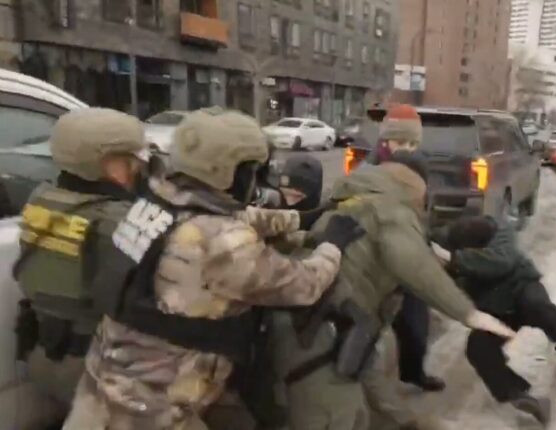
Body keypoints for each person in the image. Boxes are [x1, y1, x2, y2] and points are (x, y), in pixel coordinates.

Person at [61, 109, 365, 430]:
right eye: (251, 170)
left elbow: (221, 219)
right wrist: (333, 243)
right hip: (153, 415)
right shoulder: (224, 243)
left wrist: (300, 219)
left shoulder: (151, 204)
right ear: (230, 171)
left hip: (99, 397)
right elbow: (306, 286)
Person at [272, 150, 515, 430]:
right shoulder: (391, 212)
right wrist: (470, 314)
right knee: (336, 415)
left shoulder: (352, 201)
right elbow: (416, 267)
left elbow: (370, 364)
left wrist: (413, 423)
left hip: (327, 329)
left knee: (357, 403)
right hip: (317, 336)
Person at [12, 108, 149, 430]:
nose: (138, 166)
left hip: (44, 354)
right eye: (129, 158)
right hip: (98, 369)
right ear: (104, 163)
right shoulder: (119, 221)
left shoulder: (43, 197)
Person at [432, 215, 556, 424]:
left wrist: (456, 261)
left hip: (521, 288)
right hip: (495, 309)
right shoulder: (443, 246)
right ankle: (519, 395)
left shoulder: (498, 227)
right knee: (477, 346)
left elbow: (502, 261)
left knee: (538, 307)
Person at [361, 104, 445, 392]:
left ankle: (413, 371)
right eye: (400, 142)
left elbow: (422, 214)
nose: (406, 149)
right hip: (374, 262)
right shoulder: (368, 173)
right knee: (365, 329)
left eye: (412, 143)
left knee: (416, 325)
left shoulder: (418, 169)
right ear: (384, 142)